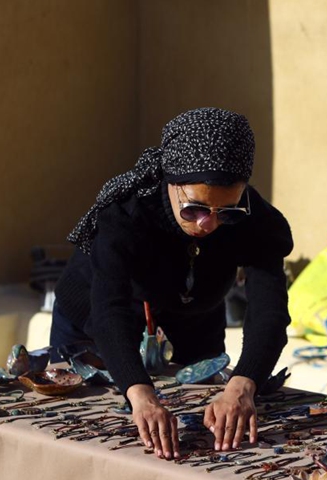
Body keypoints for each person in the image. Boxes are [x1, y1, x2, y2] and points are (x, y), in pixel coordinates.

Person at [51, 107, 293, 460]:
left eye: (226, 212)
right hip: (97, 321)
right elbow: (109, 311)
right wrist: (140, 393)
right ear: (172, 182)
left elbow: (269, 310)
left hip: (193, 319)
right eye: (195, 209)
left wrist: (242, 385)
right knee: (87, 441)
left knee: (207, 435)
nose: (209, 225)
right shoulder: (126, 213)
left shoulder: (256, 220)